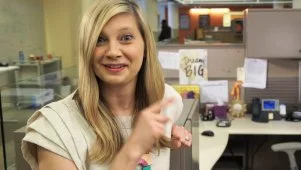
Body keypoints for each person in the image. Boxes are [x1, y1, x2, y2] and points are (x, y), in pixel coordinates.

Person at [21, 0, 192, 170]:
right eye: (100, 40)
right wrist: (133, 149)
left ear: (146, 46)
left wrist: (168, 132)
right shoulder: (54, 127)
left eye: (126, 38)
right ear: (87, 49)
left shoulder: (166, 101)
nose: (113, 52)